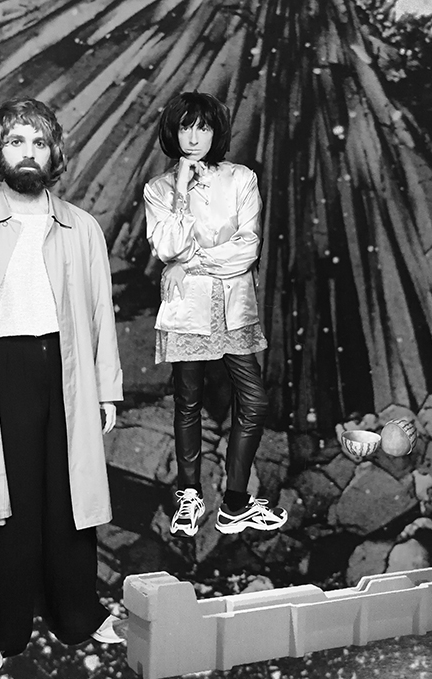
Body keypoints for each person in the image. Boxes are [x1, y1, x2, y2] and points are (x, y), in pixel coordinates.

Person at [0, 98, 125, 679]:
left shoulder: (82, 227)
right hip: (2, 375)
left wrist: (106, 390)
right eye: (16, 141)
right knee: (6, 509)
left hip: (69, 370)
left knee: (71, 501)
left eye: (39, 143)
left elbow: (101, 314)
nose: (28, 153)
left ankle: (79, 615)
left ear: (53, 153)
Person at [143, 91, 287, 538]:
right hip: (188, 310)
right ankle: (190, 495)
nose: (193, 137)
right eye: (185, 127)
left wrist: (189, 264)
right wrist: (181, 195)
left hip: (232, 307)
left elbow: (247, 248)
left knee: (254, 401)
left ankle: (235, 503)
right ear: (173, 132)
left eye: (202, 127)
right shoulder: (158, 189)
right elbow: (167, 246)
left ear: (215, 132)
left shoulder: (240, 179)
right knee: (188, 402)